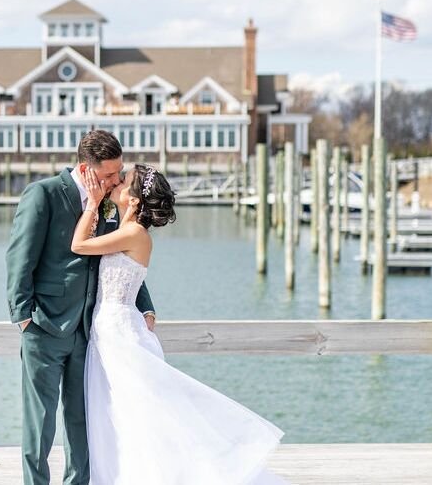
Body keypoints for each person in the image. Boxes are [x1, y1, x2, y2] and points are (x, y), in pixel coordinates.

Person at [70, 164, 289, 484]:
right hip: (109, 332)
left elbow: (78, 245)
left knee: (136, 419)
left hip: (119, 335)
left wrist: (92, 202)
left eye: (123, 182)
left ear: (133, 201)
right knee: (116, 417)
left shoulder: (134, 234)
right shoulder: (125, 229)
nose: (116, 184)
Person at [6, 130, 156, 485]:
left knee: (82, 421)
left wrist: (146, 306)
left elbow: (120, 259)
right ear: (85, 168)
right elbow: (19, 258)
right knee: (39, 424)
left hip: (90, 331)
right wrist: (23, 316)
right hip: (44, 326)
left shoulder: (107, 201)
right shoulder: (42, 194)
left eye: (119, 174)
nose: (115, 181)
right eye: (108, 176)